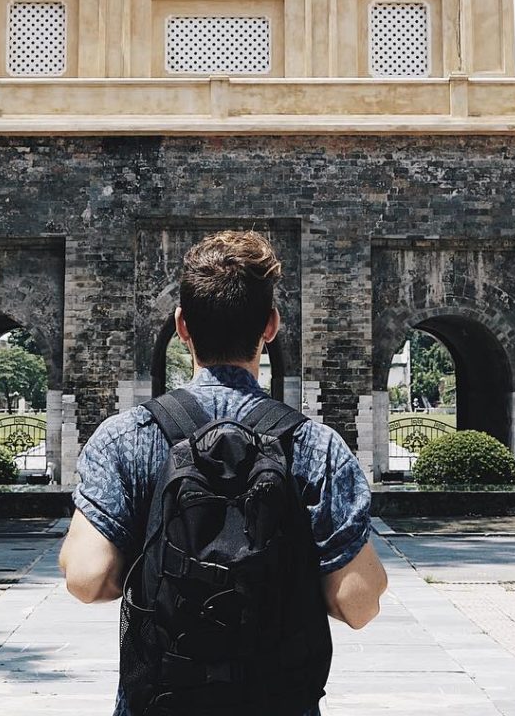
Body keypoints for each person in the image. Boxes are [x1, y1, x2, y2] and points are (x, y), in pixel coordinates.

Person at [60, 230, 388, 716]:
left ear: (181, 327)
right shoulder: (315, 446)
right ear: (271, 326)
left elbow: (88, 578)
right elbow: (358, 605)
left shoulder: (126, 437)